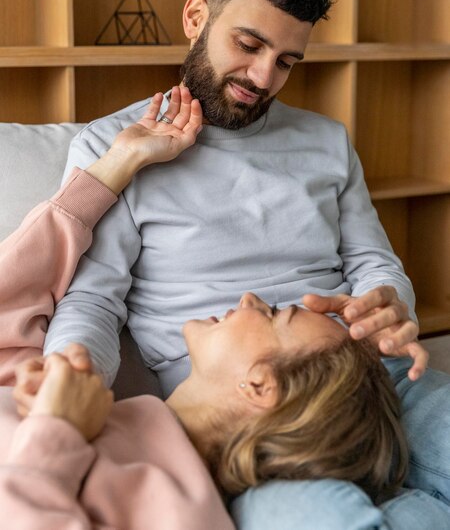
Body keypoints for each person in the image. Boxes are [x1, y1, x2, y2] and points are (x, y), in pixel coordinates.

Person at [37, 0, 450, 529]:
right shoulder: (113, 147)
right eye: (248, 44)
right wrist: (67, 378)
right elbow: (94, 302)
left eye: (286, 61)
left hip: (370, 372)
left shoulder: (326, 141)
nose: (263, 79)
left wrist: (390, 300)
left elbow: (373, 262)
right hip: (247, 416)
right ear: (196, 15)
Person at [0, 113, 417, 528]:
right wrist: (113, 168)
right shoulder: (74, 394)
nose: (252, 297)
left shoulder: (182, 510)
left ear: (259, 385)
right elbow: (18, 294)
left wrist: (58, 431)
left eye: (274, 315)